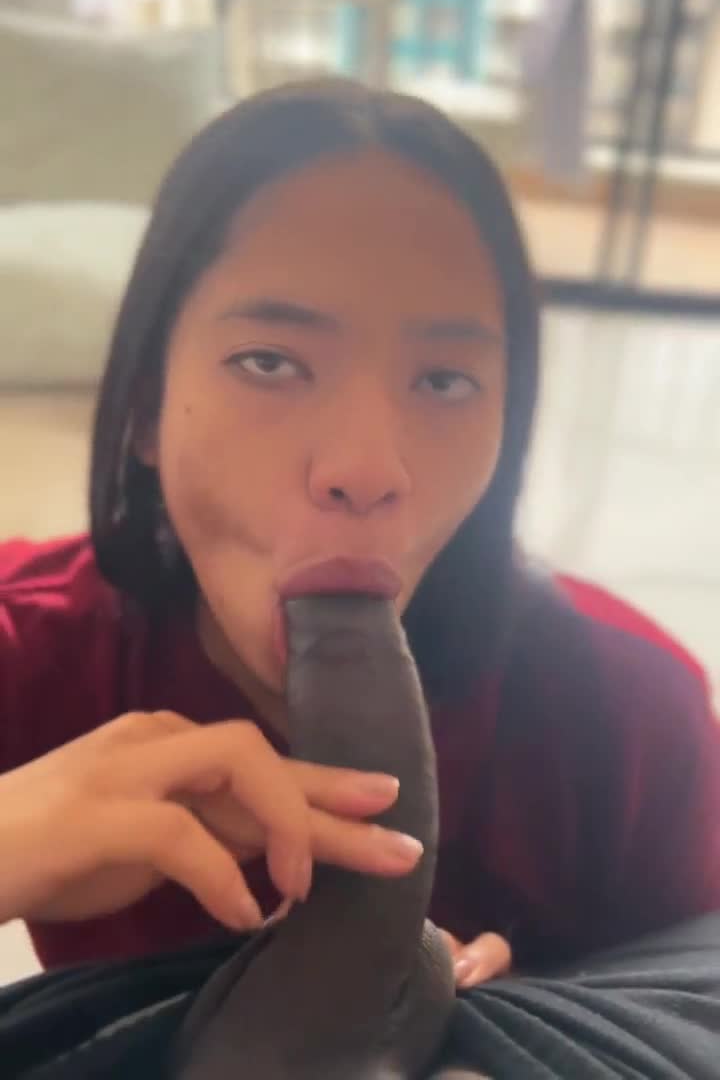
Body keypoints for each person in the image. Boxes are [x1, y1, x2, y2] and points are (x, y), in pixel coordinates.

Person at [1, 79, 718, 990]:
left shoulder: (629, 715)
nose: (369, 467)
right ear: (145, 406)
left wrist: (552, 1024)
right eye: (270, 362)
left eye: (445, 381)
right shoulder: (27, 648)